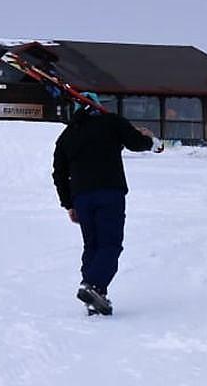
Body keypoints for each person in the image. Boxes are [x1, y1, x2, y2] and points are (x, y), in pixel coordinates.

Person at [52, 91, 164, 315]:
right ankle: (93, 285)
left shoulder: (67, 136)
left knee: (92, 246)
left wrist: (69, 204)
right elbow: (135, 143)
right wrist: (149, 139)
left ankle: (95, 295)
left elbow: (59, 174)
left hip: (82, 198)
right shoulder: (111, 122)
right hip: (109, 193)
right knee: (110, 245)